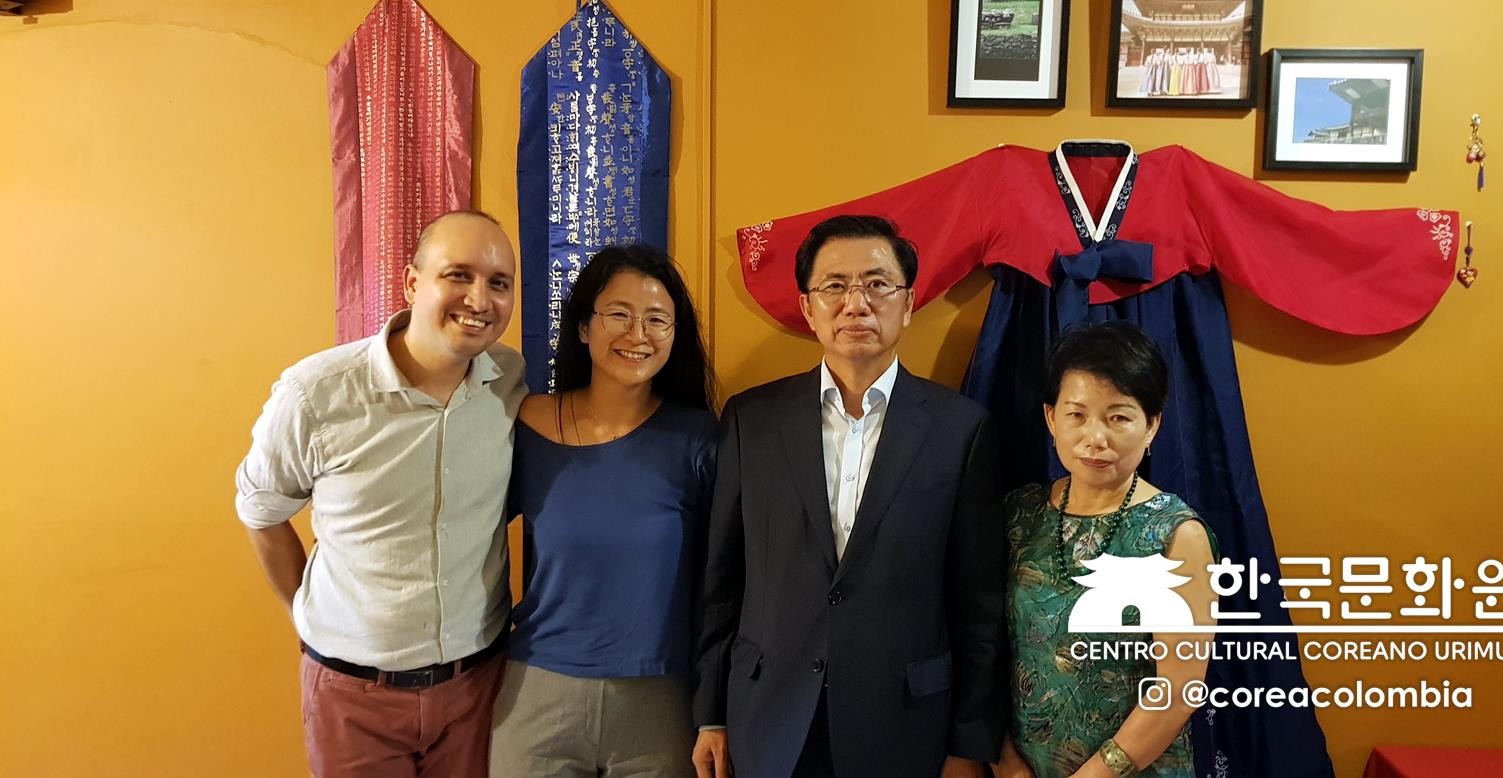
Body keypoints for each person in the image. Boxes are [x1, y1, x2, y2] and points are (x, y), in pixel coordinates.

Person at [691, 215, 1008, 778]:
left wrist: (968, 744)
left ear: (908, 304)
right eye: (834, 286)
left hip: (906, 722)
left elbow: (978, 604)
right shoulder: (751, 420)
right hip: (769, 714)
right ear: (808, 307)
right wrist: (710, 714)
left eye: (877, 284)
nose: (856, 304)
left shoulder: (961, 429)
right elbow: (722, 580)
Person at [234, 210, 526, 777]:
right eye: (458, 275)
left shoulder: (509, 379)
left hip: (477, 687)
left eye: (499, 283)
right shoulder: (316, 393)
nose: (479, 299)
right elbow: (262, 510)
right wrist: (306, 614)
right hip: (354, 695)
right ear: (412, 283)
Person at [490, 244, 718, 777]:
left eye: (656, 320)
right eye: (619, 314)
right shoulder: (527, 423)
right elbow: (462, 531)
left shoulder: (698, 438)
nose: (638, 334)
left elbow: (725, 579)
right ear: (583, 327)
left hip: (659, 700)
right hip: (538, 690)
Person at [993, 322, 1217, 778]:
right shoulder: (1018, 514)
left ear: (1151, 425)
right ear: (1051, 418)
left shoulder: (1177, 535)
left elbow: (1178, 690)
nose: (1095, 438)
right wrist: (1005, 761)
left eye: (1118, 417)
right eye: (1077, 415)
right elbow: (986, 649)